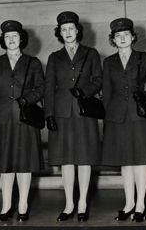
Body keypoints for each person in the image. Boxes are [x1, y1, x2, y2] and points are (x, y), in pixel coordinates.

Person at [0, 20, 44, 222]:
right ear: (3, 40)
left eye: (15, 36)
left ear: (21, 39)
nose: (11, 40)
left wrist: (27, 99)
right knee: (5, 163)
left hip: (25, 119)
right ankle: (6, 205)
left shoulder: (33, 63)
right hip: (2, 119)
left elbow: (41, 89)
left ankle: (23, 204)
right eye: (7, 37)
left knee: (24, 163)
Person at [44, 11, 102, 222]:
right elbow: (49, 88)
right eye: (63, 30)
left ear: (78, 31)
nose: (67, 32)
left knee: (84, 159)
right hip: (61, 114)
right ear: (59, 33)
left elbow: (98, 80)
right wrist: (48, 114)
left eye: (71, 29)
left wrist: (84, 91)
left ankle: (83, 202)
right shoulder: (54, 57)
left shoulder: (91, 53)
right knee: (66, 160)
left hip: (84, 112)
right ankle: (69, 203)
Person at [101, 18, 146, 222]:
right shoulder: (109, 62)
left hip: (140, 116)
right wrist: (109, 115)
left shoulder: (144, 58)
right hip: (117, 117)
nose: (122, 38)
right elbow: (107, 92)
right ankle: (129, 203)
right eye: (118, 36)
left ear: (133, 37)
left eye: (126, 34)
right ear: (113, 40)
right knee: (125, 163)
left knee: (140, 161)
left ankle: (141, 204)